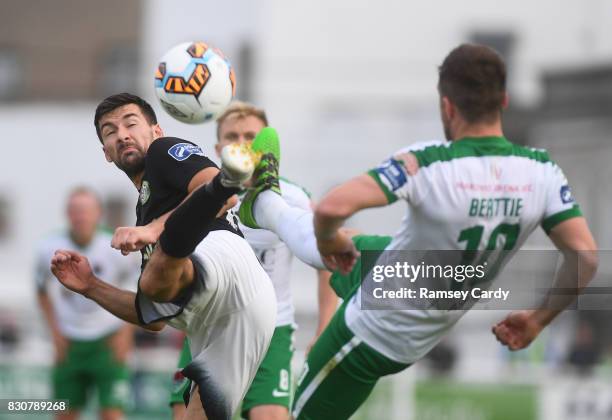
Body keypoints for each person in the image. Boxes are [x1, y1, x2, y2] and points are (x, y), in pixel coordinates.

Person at [235, 44, 599, 419]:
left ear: (447, 106)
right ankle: (267, 201)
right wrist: (539, 319)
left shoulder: (430, 162)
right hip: (412, 288)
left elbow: (333, 207)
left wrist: (329, 238)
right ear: (503, 100)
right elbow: (585, 255)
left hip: (371, 333)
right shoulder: (541, 170)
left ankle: (264, 205)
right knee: (351, 246)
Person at [50, 93, 277, 420]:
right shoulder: (145, 209)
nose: (122, 134)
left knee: (157, 275)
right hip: (228, 320)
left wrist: (155, 230)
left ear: (156, 131)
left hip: (224, 258)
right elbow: (155, 319)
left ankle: (228, 181)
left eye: (131, 123)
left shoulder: (163, 150)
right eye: (110, 131)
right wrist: (89, 286)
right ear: (106, 153)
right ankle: (211, 200)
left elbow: (216, 195)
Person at [169, 101, 338, 420]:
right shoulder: (198, 197)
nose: (241, 143)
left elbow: (324, 260)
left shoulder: (292, 197)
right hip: (208, 326)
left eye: (251, 136)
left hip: (272, 330)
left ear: (266, 146)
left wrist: (325, 327)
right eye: (232, 136)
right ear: (218, 147)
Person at [35, 187, 137, 420]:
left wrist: (125, 333)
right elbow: (41, 290)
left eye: (86, 210)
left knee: (111, 413)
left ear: (98, 213)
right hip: (70, 343)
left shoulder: (115, 245)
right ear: (67, 214)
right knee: (64, 413)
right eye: (75, 210)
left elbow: (134, 288)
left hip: (107, 341)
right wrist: (55, 332)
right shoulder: (47, 248)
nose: (80, 216)